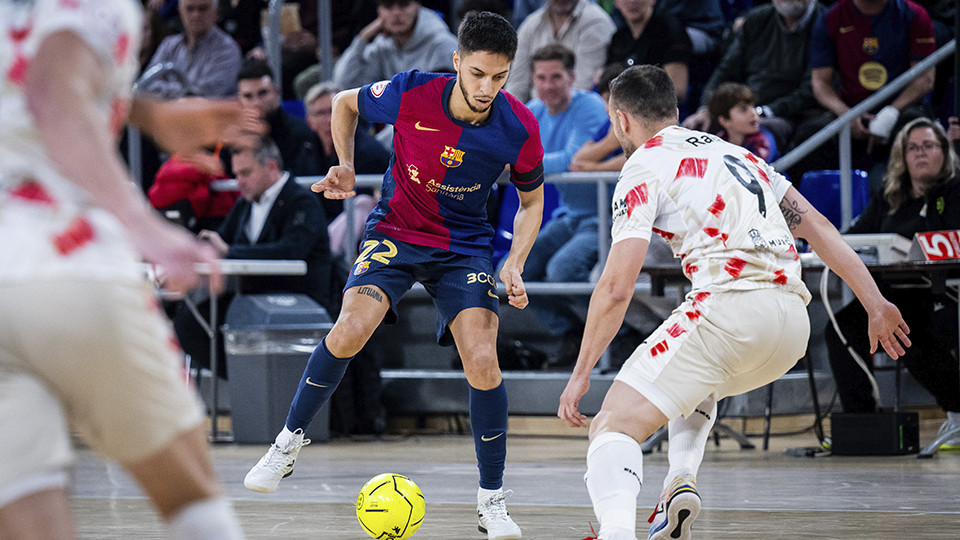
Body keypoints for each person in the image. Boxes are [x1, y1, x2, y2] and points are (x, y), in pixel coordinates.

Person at [557, 65, 910, 540]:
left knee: (613, 427)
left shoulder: (642, 165)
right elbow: (822, 228)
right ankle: (680, 479)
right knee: (693, 381)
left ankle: (617, 533)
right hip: (790, 324)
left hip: (729, 311)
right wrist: (875, 302)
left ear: (620, 120)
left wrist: (580, 374)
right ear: (676, 111)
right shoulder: (740, 155)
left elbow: (616, 286)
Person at [243, 11, 545, 540]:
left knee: (482, 360)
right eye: (477, 74)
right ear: (457, 63)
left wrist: (515, 259)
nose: (487, 87)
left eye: (499, 77)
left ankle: (491, 501)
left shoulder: (517, 126)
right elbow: (343, 104)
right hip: (398, 230)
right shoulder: (411, 92)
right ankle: (287, 443)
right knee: (350, 329)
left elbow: (532, 200)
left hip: (464, 245)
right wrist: (346, 165)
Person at [0, 0, 248, 538]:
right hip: (62, 265)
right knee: (189, 493)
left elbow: (23, 81)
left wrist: (148, 114)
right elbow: (54, 95)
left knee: (29, 508)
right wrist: (146, 227)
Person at [826, 117, 960, 448]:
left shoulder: (954, 191)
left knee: (911, 332)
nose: (920, 154)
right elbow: (856, 239)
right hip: (889, 293)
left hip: (940, 292)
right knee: (841, 328)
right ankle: (861, 423)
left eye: (929, 146)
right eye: (912, 148)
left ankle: (957, 410)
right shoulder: (890, 197)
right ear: (902, 155)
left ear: (944, 151)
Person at [172, 136, 334, 379]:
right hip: (253, 302)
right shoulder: (245, 205)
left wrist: (228, 251)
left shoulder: (302, 201)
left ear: (271, 166)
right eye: (236, 174)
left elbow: (290, 251)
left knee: (201, 321)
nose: (239, 182)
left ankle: (248, 380)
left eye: (245, 173)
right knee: (190, 322)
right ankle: (245, 380)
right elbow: (222, 241)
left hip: (296, 305)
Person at [520, 43, 607, 363]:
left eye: (556, 77)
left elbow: (573, 160)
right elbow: (508, 154)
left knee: (562, 269)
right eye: (541, 78)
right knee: (513, 270)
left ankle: (616, 336)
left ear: (572, 77)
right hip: (568, 216)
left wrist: (519, 164)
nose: (548, 85)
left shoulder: (591, 106)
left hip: (605, 216)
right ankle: (572, 333)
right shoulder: (532, 110)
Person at [793, 0, 937, 182]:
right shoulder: (831, 18)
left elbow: (925, 79)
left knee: (917, 130)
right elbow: (820, 84)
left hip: (902, 109)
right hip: (852, 110)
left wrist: (891, 112)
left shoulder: (915, 14)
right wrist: (847, 115)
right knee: (809, 134)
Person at [681, 0, 826, 149]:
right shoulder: (757, 19)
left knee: (757, 133)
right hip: (750, 105)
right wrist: (706, 108)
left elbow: (813, 90)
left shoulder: (825, 22)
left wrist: (764, 113)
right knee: (696, 129)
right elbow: (725, 72)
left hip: (793, 114)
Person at [304, 81, 392, 223]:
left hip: (362, 233)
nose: (329, 120)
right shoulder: (307, 149)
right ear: (309, 122)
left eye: (334, 111)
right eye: (321, 113)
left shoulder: (369, 153)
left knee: (362, 205)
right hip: (322, 226)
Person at [330, 0, 458, 90]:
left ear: (417, 6)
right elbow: (344, 84)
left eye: (403, 4)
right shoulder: (382, 45)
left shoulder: (442, 44)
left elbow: (437, 104)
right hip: (397, 125)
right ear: (379, 11)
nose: (396, 13)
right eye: (388, 6)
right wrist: (362, 37)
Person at [506, 0, 616, 103]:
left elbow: (583, 87)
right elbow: (516, 84)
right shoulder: (531, 24)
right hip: (535, 111)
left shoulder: (595, 22)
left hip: (578, 110)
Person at [141, 0, 243, 98]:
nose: (196, 15)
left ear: (217, 11)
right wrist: (182, 91)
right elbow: (146, 84)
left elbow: (204, 95)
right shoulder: (168, 45)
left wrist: (165, 91)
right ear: (180, 12)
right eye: (190, 9)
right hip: (165, 113)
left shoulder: (227, 49)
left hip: (207, 115)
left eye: (203, 8)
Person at [236, 59, 318, 177]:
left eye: (262, 93)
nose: (256, 103)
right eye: (248, 96)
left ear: (277, 93)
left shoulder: (301, 133)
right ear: (239, 100)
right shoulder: (231, 138)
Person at [605, 0, 692, 103]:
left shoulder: (670, 31)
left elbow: (677, 90)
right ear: (616, 3)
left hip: (660, 111)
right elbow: (608, 86)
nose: (632, 2)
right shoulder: (618, 38)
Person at [708, 82, 780, 162]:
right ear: (724, 121)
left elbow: (753, 170)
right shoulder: (718, 141)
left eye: (753, 106)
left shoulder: (763, 140)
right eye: (743, 110)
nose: (753, 113)